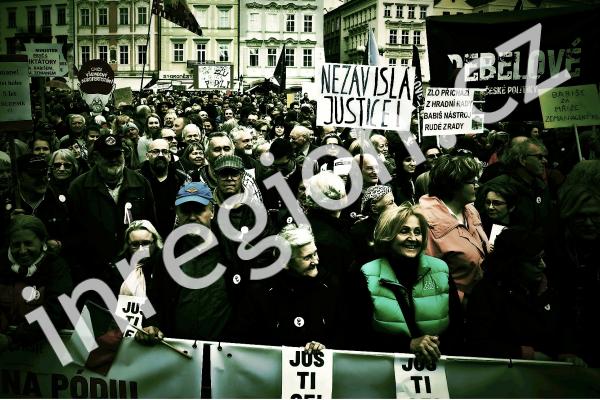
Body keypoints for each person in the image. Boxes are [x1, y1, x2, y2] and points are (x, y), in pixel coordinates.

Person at [349, 205, 462, 361]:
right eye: (404, 231)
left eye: (417, 232)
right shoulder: (366, 274)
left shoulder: (440, 270)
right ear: (387, 234)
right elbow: (356, 334)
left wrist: (436, 349)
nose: (413, 238)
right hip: (386, 370)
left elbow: (457, 325)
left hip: (437, 368)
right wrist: (408, 345)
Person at [465, 228, 585, 366]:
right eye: (534, 261)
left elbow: (565, 326)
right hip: (508, 373)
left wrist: (568, 353)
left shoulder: (552, 287)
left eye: (543, 257)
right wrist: (525, 354)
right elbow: (479, 343)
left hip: (553, 371)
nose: (543, 265)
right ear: (512, 264)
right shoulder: (487, 293)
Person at [136, 182, 232, 342]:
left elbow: (247, 301)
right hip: (179, 349)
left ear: (212, 211)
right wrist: (151, 323)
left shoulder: (233, 252)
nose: (192, 217)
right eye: (186, 211)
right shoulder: (165, 255)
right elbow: (155, 297)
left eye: (199, 210)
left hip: (225, 351)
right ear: (178, 214)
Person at [230, 225, 343, 351]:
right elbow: (245, 340)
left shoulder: (330, 286)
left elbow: (343, 333)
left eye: (315, 253)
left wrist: (325, 348)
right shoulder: (262, 293)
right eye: (307, 257)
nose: (315, 261)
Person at [67, 134, 157, 291]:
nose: (114, 159)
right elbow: (73, 236)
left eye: (117, 154)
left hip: (134, 272)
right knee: (101, 314)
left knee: (134, 315)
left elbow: (151, 226)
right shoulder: (79, 188)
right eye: (108, 156)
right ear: (96, 157)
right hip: (95, 274)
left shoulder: (140, 183)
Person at [419, 153, 489, 303]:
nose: (477, 186)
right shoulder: (425, 222)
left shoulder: (470, 209)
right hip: (455, 308)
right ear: (453, 185)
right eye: (472, 181)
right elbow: (427, 280)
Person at [0, 215, 72, 351]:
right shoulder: (1, 263)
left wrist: (13, 339)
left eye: (28, 244)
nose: (22, 251)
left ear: (42, 241)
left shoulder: (56, 266)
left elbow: (57, 312)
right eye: (16, 245)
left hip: (46, 352)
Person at [138, 139, 190, 237]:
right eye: (155, 151)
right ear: (147, 156)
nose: (161, 155)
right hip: (145, 237)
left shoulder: (182, 179)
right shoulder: (137, 179)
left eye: (165, 152)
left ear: (169, 157)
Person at [118, 220, 163, 297]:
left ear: (155, 242)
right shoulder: (121, 267)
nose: (141, 250)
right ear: (128, 245)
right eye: (135, 244)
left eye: (146, 243)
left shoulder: (163, 265)